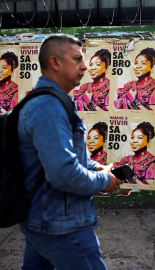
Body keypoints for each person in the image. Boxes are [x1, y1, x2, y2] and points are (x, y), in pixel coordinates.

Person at [18, 34, 123, 270]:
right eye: (77, 59)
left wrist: (96, 167)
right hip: (61, 226)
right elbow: (64, 173)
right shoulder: (48, 107)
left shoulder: (53, 101)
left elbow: (66, 158)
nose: (85, 66)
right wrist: (104, 180)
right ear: (55, 63)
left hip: (44, 219)